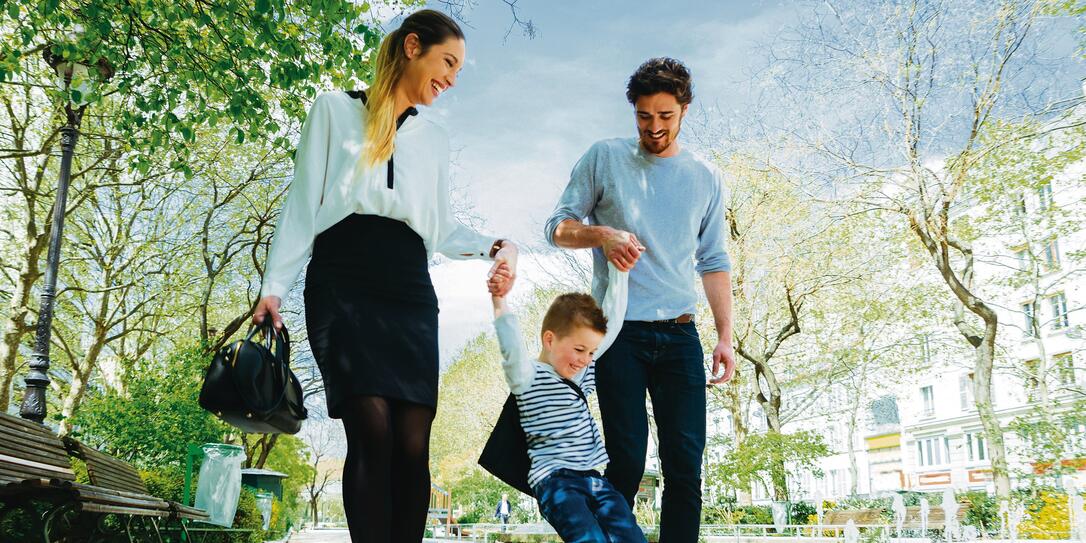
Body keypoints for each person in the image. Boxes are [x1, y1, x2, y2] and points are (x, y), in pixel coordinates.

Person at [252, 10, 518, 542]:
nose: (452, 78)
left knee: (413, 442)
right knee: (371, 430)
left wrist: (495, 245)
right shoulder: (332, 111)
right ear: (412, 47)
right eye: (448, 62)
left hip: (409, 290)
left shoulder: (433, 139)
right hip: (342, 281)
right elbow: (303, 205)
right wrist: (273, 287)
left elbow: (439, 227)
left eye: (460, 70)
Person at [543, 57, 735, 542]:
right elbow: (558, 228)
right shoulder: (604, 158)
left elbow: (713, 261)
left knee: (685, 466)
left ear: (684, 111)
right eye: (644, 116)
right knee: (626, 460)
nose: (654, 127)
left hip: (679, 335)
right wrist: (603, 235)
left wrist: (725, 336)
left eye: (665, 116)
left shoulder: (705, 177)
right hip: (619, 335)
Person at [490, 262, 646, 542]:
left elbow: (613, 320)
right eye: (578, 350)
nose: (585, 360)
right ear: (549, 339)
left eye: (591, 352)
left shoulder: (579, 374)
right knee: (589, 538)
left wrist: (619, 270)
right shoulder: (527, 375)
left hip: (596, 480)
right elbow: (510, 346)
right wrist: (500, 301)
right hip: (556, 481)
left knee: (630, 536)